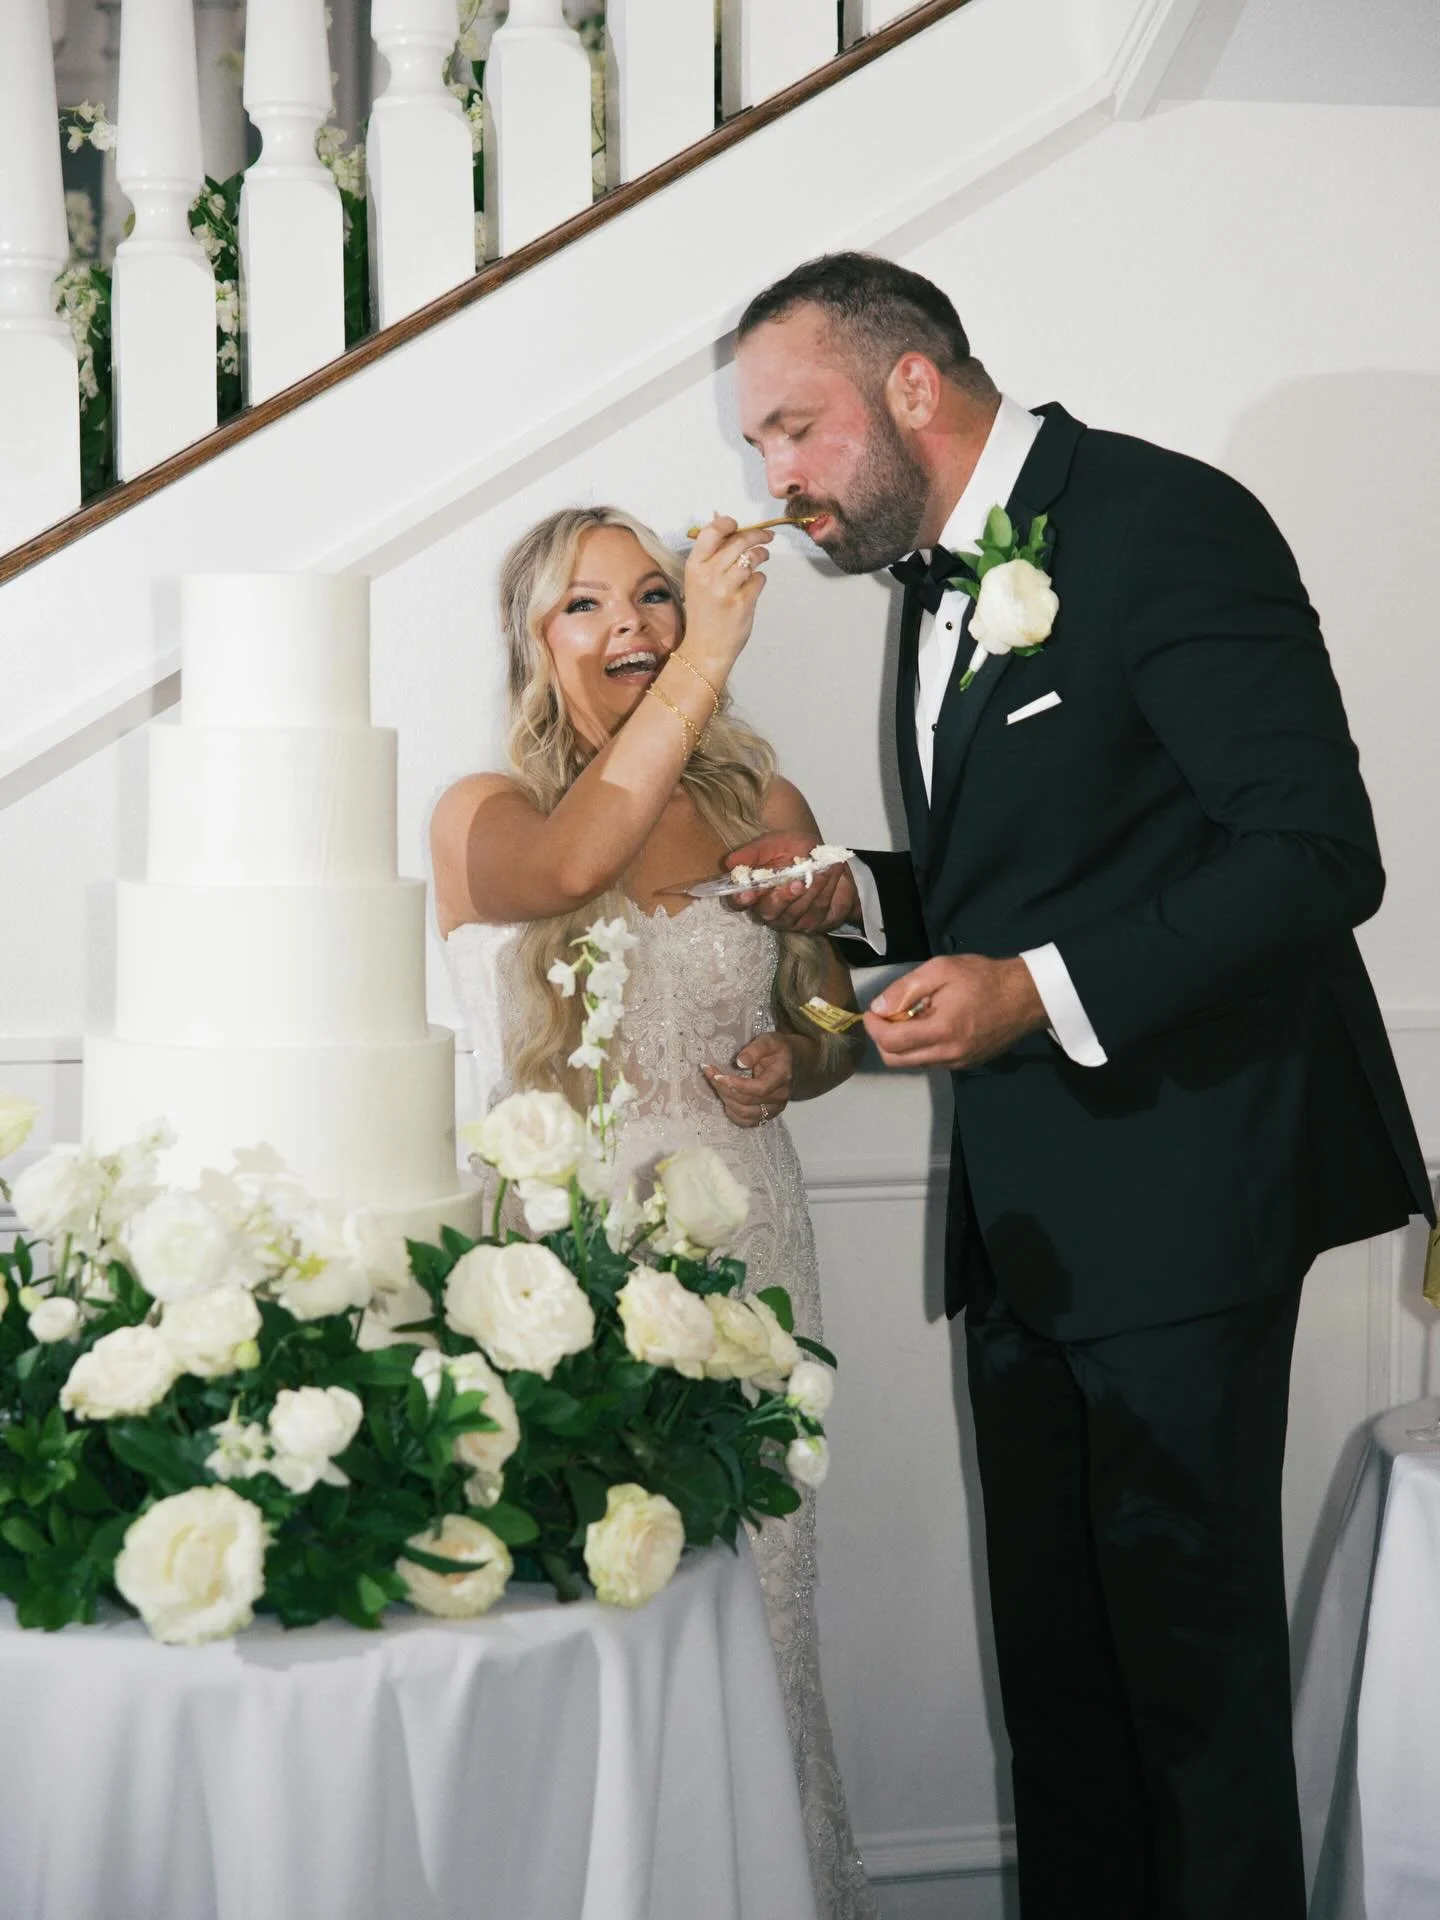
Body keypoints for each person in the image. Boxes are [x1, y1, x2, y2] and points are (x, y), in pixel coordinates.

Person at [722, 251, 1434, 1919]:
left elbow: (1317, 854)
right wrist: (865, 898)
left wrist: (1031, 993)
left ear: (913, 386)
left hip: (1184, 1193)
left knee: (1190, 1679)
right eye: (761, 447)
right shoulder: (939, 575)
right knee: (1063, 1669)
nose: (778, 483)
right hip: (1031, 1217)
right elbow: (1046, 861)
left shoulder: (1164, 521)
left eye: (795, 429)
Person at [429, 504, 878, 1920]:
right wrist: (707, 660)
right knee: (582, 1608)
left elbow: (831, 1013)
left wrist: (800, 1055)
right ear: (532, 643)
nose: (630, 625)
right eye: (586, 606)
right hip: (560, 1274)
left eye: (654, 598)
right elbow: (572, 872)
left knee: (762, 1609)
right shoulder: (486, 818)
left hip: (752, 1250)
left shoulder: (773, 811)